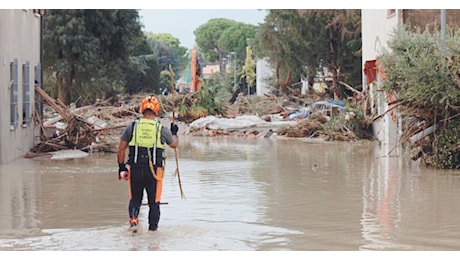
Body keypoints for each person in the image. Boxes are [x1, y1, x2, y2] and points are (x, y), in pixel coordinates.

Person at [117, 95, 179, 233]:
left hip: (135, 169)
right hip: (154, 173)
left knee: (135, 199)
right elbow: (174, 145)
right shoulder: (161, 129)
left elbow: (121, 148)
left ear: (142, 110)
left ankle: (133, 220)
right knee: (154, 203)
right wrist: (174, 133)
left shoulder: (132, 127)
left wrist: (121, 167)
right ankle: (153, 232)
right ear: (156, 110)